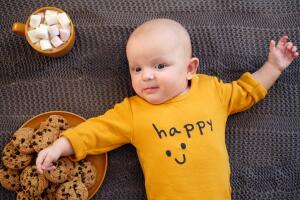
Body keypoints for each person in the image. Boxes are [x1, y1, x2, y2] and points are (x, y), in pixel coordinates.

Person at [36, 18, 298, 199]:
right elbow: (95, 131)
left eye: (160, 66)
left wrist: (273, 67)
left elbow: (247, 91)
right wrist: (59, 146)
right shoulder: (132, 111)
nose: (146, 76)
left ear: (190, 69)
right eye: (137, 69)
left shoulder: (211, 91)